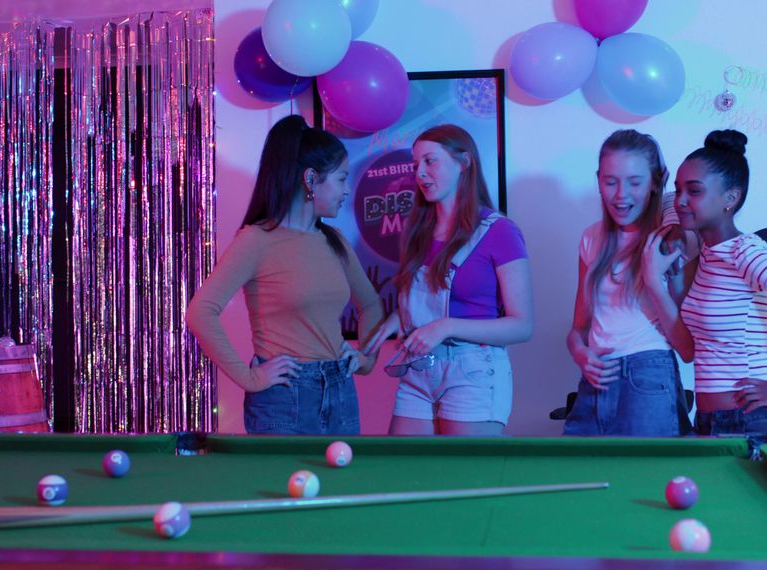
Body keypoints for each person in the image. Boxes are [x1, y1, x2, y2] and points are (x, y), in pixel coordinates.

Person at [186, 115, 383, 435]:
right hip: (285, 398)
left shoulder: (335, 241)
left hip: (340, 389)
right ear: (311, 179)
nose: (347, 190)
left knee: (344, 486)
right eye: (342, 178)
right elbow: (200, 312)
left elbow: (372, 306)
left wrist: (366, 359)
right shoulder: (256, 240)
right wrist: (249, 378)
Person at [643, 129, 767, 448]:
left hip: (753, 421)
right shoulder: (708, 255)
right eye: (677, 189)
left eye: (694, 191)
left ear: (731, 199)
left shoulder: (744, 252)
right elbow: (690, 351)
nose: (679, 200)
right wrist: (654, 282)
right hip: (711, 422)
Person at [363, 124, 533, 436]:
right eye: (416, 166)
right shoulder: (418, 232)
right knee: (404, 473)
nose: (420, 174)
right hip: (418, 371)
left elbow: (522, 326)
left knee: (465, 478)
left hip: (474, 373)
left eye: (430, 161)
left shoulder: (500, 232)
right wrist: (396, 321)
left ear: (464, 162)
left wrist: (447, 326)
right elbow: (426, 303)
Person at [563, 130, 694, 437]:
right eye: (611, 181)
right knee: (576, 475)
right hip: (595, 380)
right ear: (598, 180)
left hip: (648, 372)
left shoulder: (672, 241)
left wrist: (652, 279)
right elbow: (577, 329)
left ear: (654, 183)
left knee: (647, 479)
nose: (621, 195)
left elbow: (687, 348)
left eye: (635, 182)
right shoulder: (590, 239)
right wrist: (581, 354)